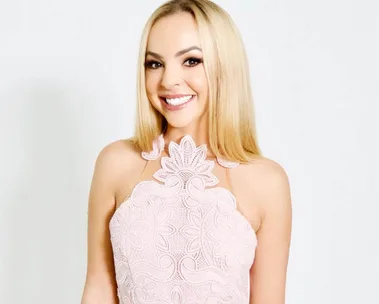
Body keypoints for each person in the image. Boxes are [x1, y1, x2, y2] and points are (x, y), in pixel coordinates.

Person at [81, 0, 292, 303]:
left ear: (225, 67)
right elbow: (98, 288)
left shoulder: (267, 182)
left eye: (191, 60)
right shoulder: (116, 163)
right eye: (154, 63)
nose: (168, 80)